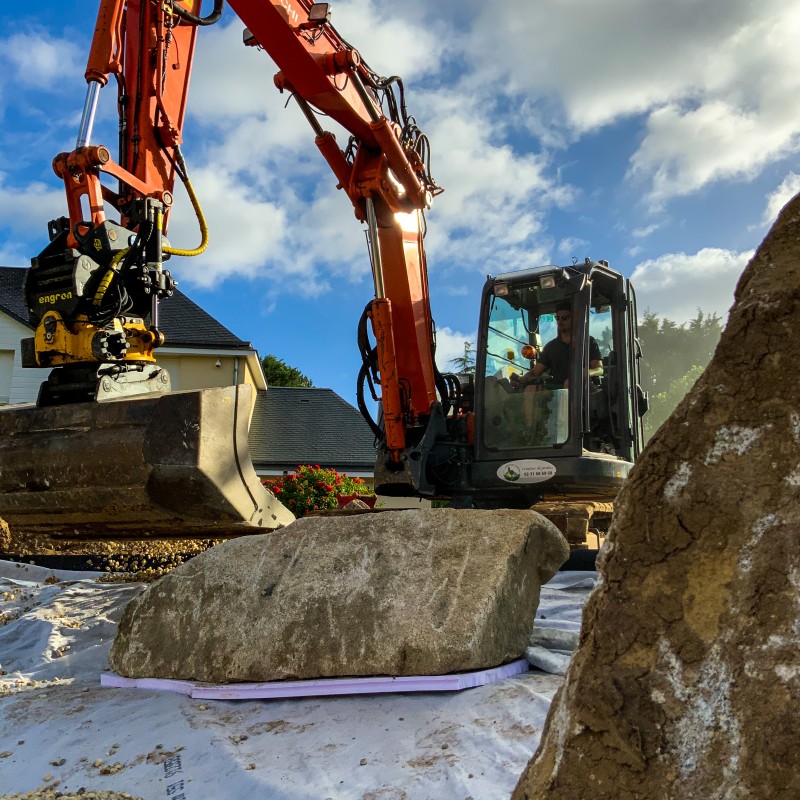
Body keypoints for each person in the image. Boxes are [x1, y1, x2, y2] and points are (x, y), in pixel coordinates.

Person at [510, 302, 601, 390]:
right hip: (557, 390)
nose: (560, 321)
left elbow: (599, 369)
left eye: (564, 318)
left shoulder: (587, 341)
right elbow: (535, 372)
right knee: (530, 389)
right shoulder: (551, 347)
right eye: (557, 318)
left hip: (583, 389)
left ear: (574, 319)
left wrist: (586, 372)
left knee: (569, 383)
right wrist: (520, 379)